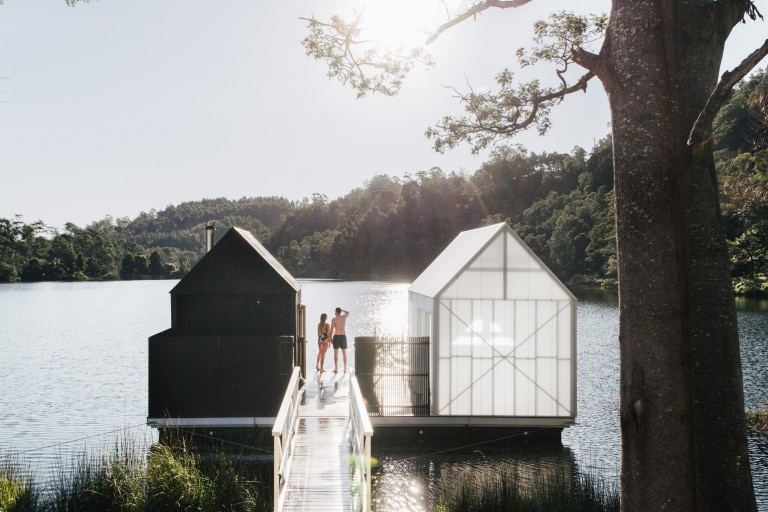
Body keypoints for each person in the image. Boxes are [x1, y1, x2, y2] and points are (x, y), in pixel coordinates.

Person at [330, 307, 349, 373]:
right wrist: (342, 310)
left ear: (336, 312)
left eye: (335, 312)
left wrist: (330, 338)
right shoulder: (344, 317)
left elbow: (331, 330)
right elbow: (348, 312)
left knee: (336, 353)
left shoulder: (334, 319)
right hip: (343, 336)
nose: (335, 313)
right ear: (340, 312)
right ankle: (345, 368)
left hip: (337, 336)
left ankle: (336, 369)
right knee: (344, 353)